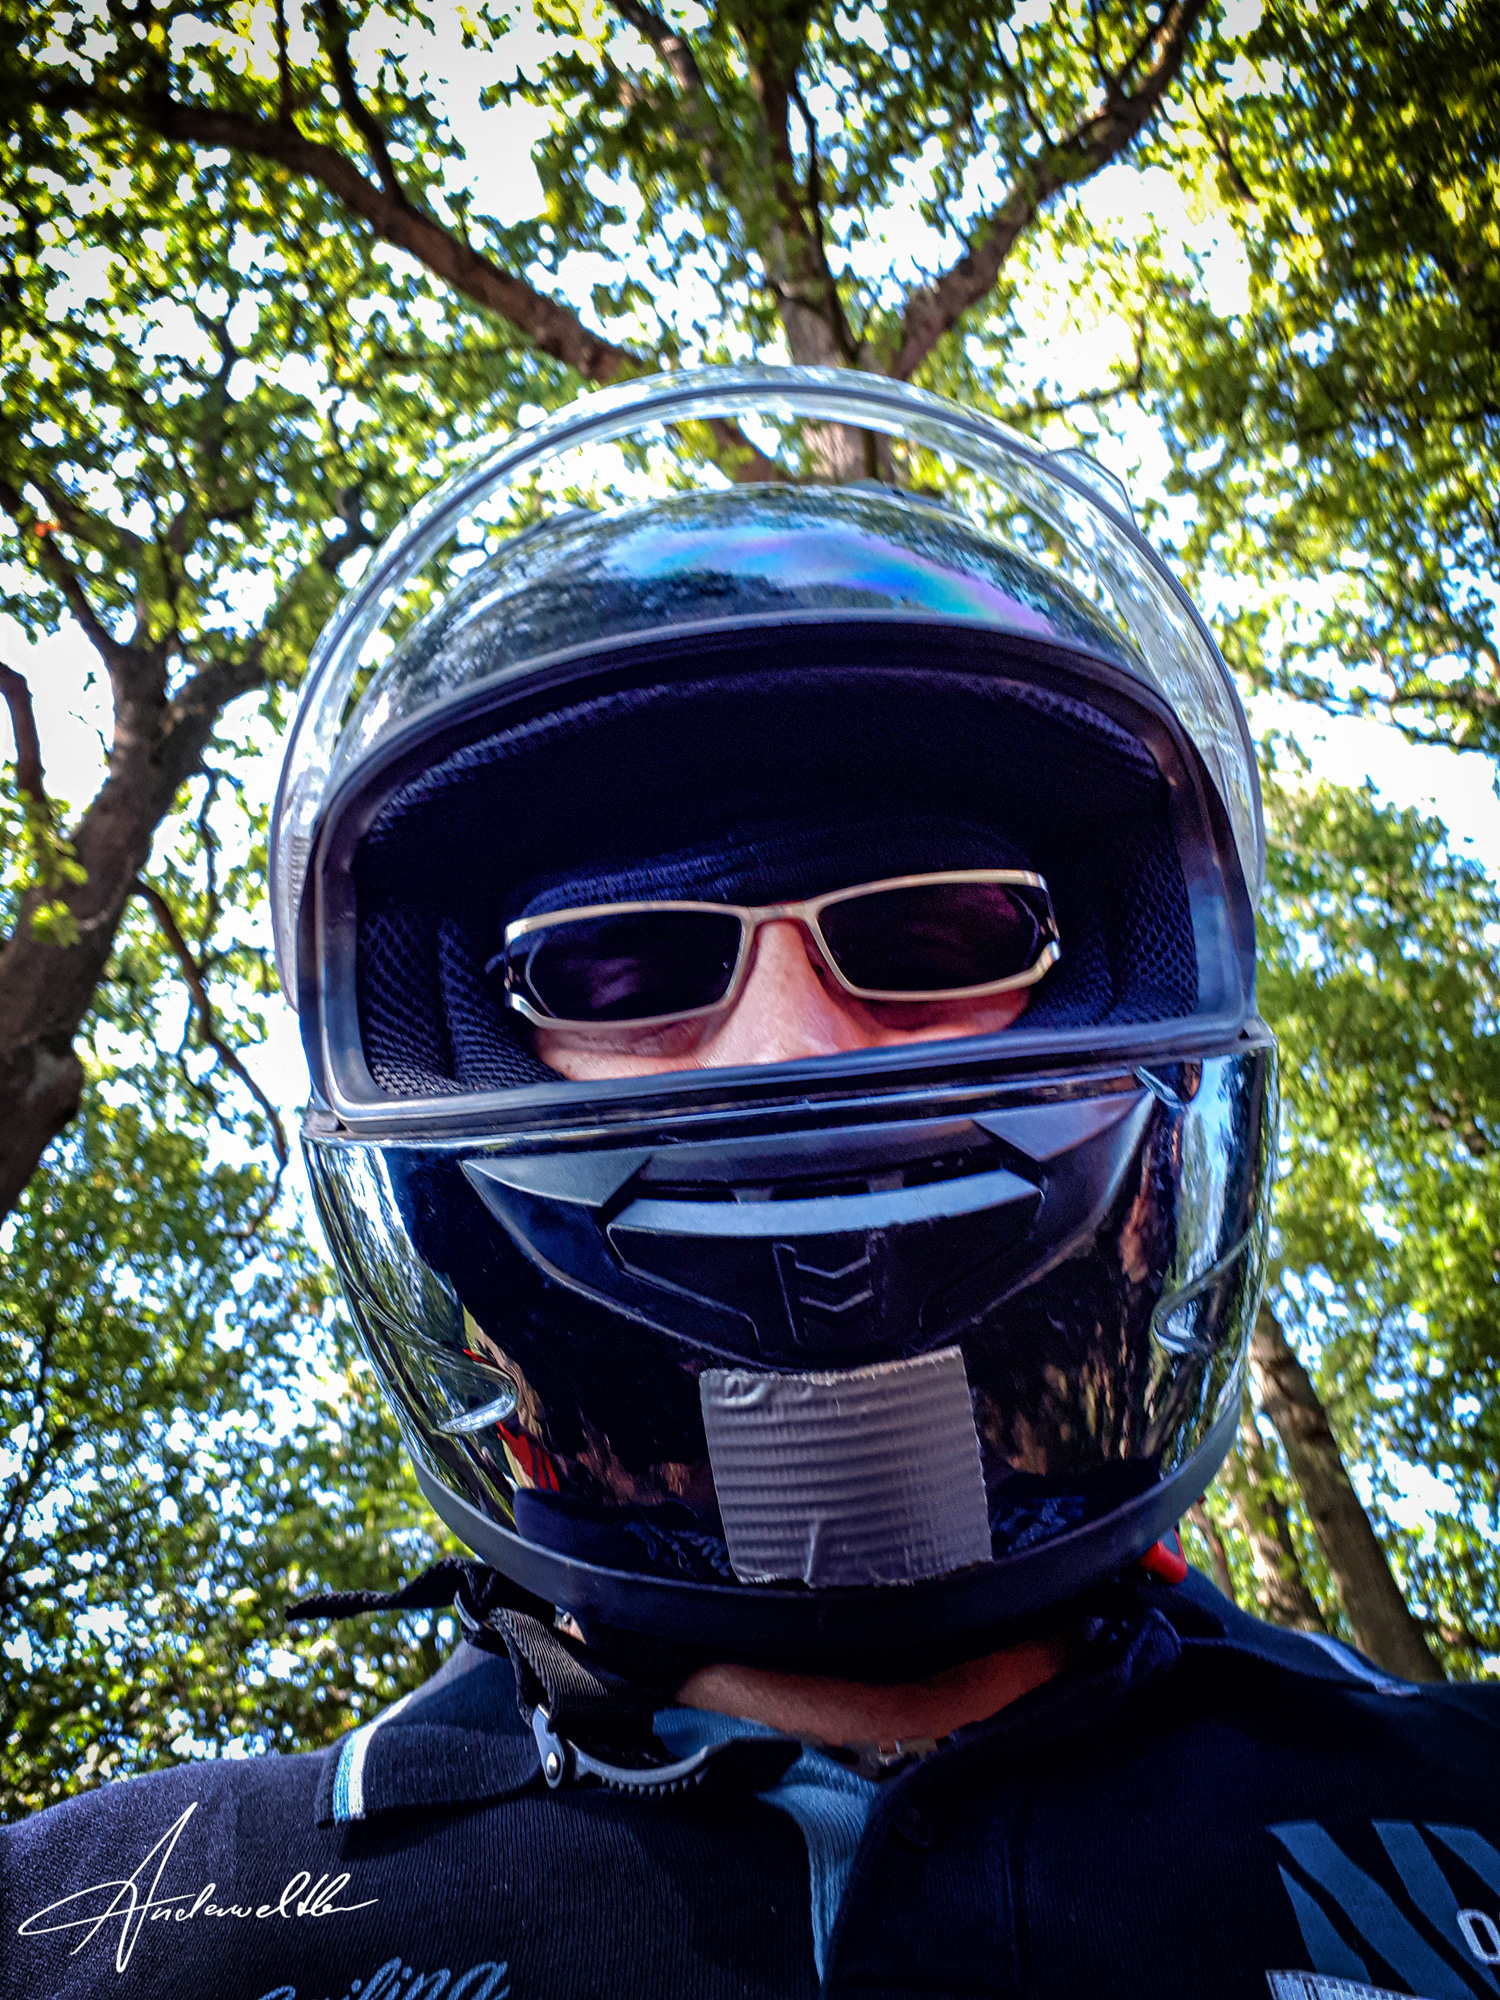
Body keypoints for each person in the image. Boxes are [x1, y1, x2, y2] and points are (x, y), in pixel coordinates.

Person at [4, 369, 1499, 2000]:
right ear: (453, 1101)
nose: (788, 1051)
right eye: (620, 969)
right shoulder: (115, 1921)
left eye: (938, 935)